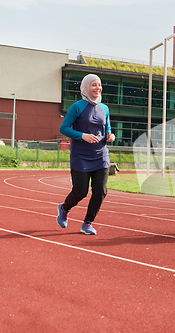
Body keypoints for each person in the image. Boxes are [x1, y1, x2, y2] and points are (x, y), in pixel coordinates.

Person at [56, 74, 115, 235]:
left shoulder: (104, 108)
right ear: (86, 87)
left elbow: (107, 128)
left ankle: (88, 222)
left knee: (101, 191)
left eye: (100, 85)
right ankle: (65, 208)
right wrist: (83, 135)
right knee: (80, 191)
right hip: (81, 155)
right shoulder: (77, 107)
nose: (98, 88)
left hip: (101, 155)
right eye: (94, 85)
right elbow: (64, 128)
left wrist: (111, 136)